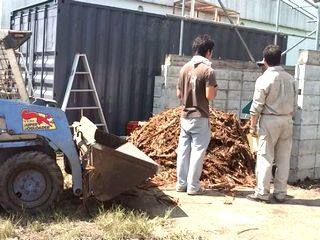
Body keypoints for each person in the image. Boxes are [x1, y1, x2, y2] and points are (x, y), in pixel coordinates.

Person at [247, 45, 296, 203]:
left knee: (265, 157)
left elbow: (256, 106)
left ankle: (262, 192)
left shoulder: (263, 79)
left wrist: (253, 126)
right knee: (283, 158)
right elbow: (295, 105)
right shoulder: (291, 79)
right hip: (287, 120)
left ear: (265, 61)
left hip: (269, 120)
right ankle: (280, 192)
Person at [176, 34, 218, 195]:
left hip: (185, 116)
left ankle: (181, 184)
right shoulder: (208, 70)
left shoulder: (184, 68)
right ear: (208, 52)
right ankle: (193, 187)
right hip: (200, 116)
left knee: (183, 151)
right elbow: (210, 96)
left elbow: (179, 93)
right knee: (198, 152)